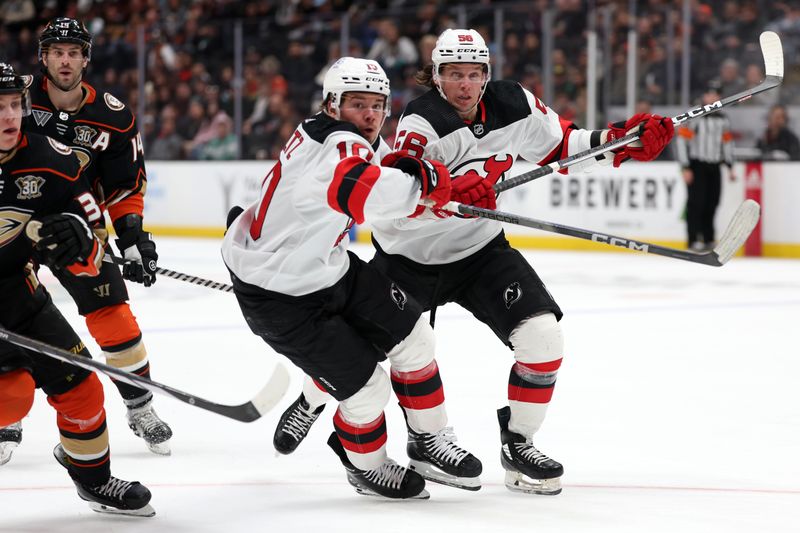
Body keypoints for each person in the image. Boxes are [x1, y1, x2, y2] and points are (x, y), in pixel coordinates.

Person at [275, 29, 674, 496]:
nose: (464, 85)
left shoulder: (515, 105)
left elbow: (565, 146)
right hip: (409, 255)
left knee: (542, 337)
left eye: (473, 74)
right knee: (359, 353)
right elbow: (403, 192)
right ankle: (310, 398)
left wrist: (620, 142)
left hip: (480, 251)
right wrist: (448, 197)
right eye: (453, 75)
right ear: (436, 77)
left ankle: (519, 443)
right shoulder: (421, 122)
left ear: (486, 75)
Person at [222, 57, 484, 499]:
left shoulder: (351, 137)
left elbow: (390, 185)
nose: (369, 114)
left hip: (329, 269)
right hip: (282, 297)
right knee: (368, 389)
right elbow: (366, 191)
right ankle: (368, 466)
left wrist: (448, 190)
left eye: (377, 105)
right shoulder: (341, 144)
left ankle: (428, 437)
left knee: (415, 338)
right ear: (331, 105)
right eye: (356, 104)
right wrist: (430, 188)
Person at [8, 17, 173, 457]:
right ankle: (9, 419)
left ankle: (139, 404)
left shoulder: (115, 117)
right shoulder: (12, 96)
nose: (65, 60)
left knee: (113, 313)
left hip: (76, 226)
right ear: (44, 57)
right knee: (12, 314)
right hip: (12, 222)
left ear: (86, 59)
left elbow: (124, 188)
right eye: (57, 52)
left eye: (74, 52)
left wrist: (133, 237)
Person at [0, 62, 154, 516]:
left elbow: (91, 247)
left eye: (13, 105)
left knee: (83, 386)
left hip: (17, 293)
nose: (8, 116)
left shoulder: (53, 160)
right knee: (10, 399)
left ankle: (95, 481)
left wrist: (79, 241)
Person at [675, 85, 735, 251]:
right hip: (697, 165)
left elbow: (727, 143)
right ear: (704, 96)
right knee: (696, 203)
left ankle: (708, 238)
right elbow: (681, 141)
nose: (713, 97)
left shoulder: (723, 119)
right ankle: (693, 238)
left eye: (716, 94)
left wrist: (730, 166)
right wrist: (685, 167)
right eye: (710, 94)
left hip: (714, 165)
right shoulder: (695, 116)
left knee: (712, 202)